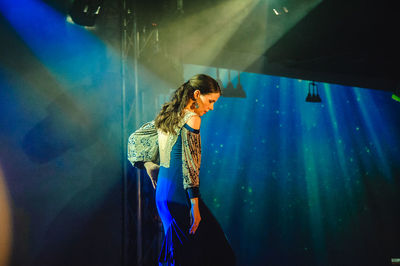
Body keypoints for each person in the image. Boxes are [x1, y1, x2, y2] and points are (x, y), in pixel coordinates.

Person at [128, 74, 235, 265]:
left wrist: (149, 165)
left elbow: (135, 139)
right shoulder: (192, 118)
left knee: (179, 255)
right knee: (219, 254)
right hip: (181, 196)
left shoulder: (168, 118)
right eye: (210, 101)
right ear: (196, 94)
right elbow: (190, 163)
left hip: (163, 196)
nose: (211, 107)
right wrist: (195, 204)